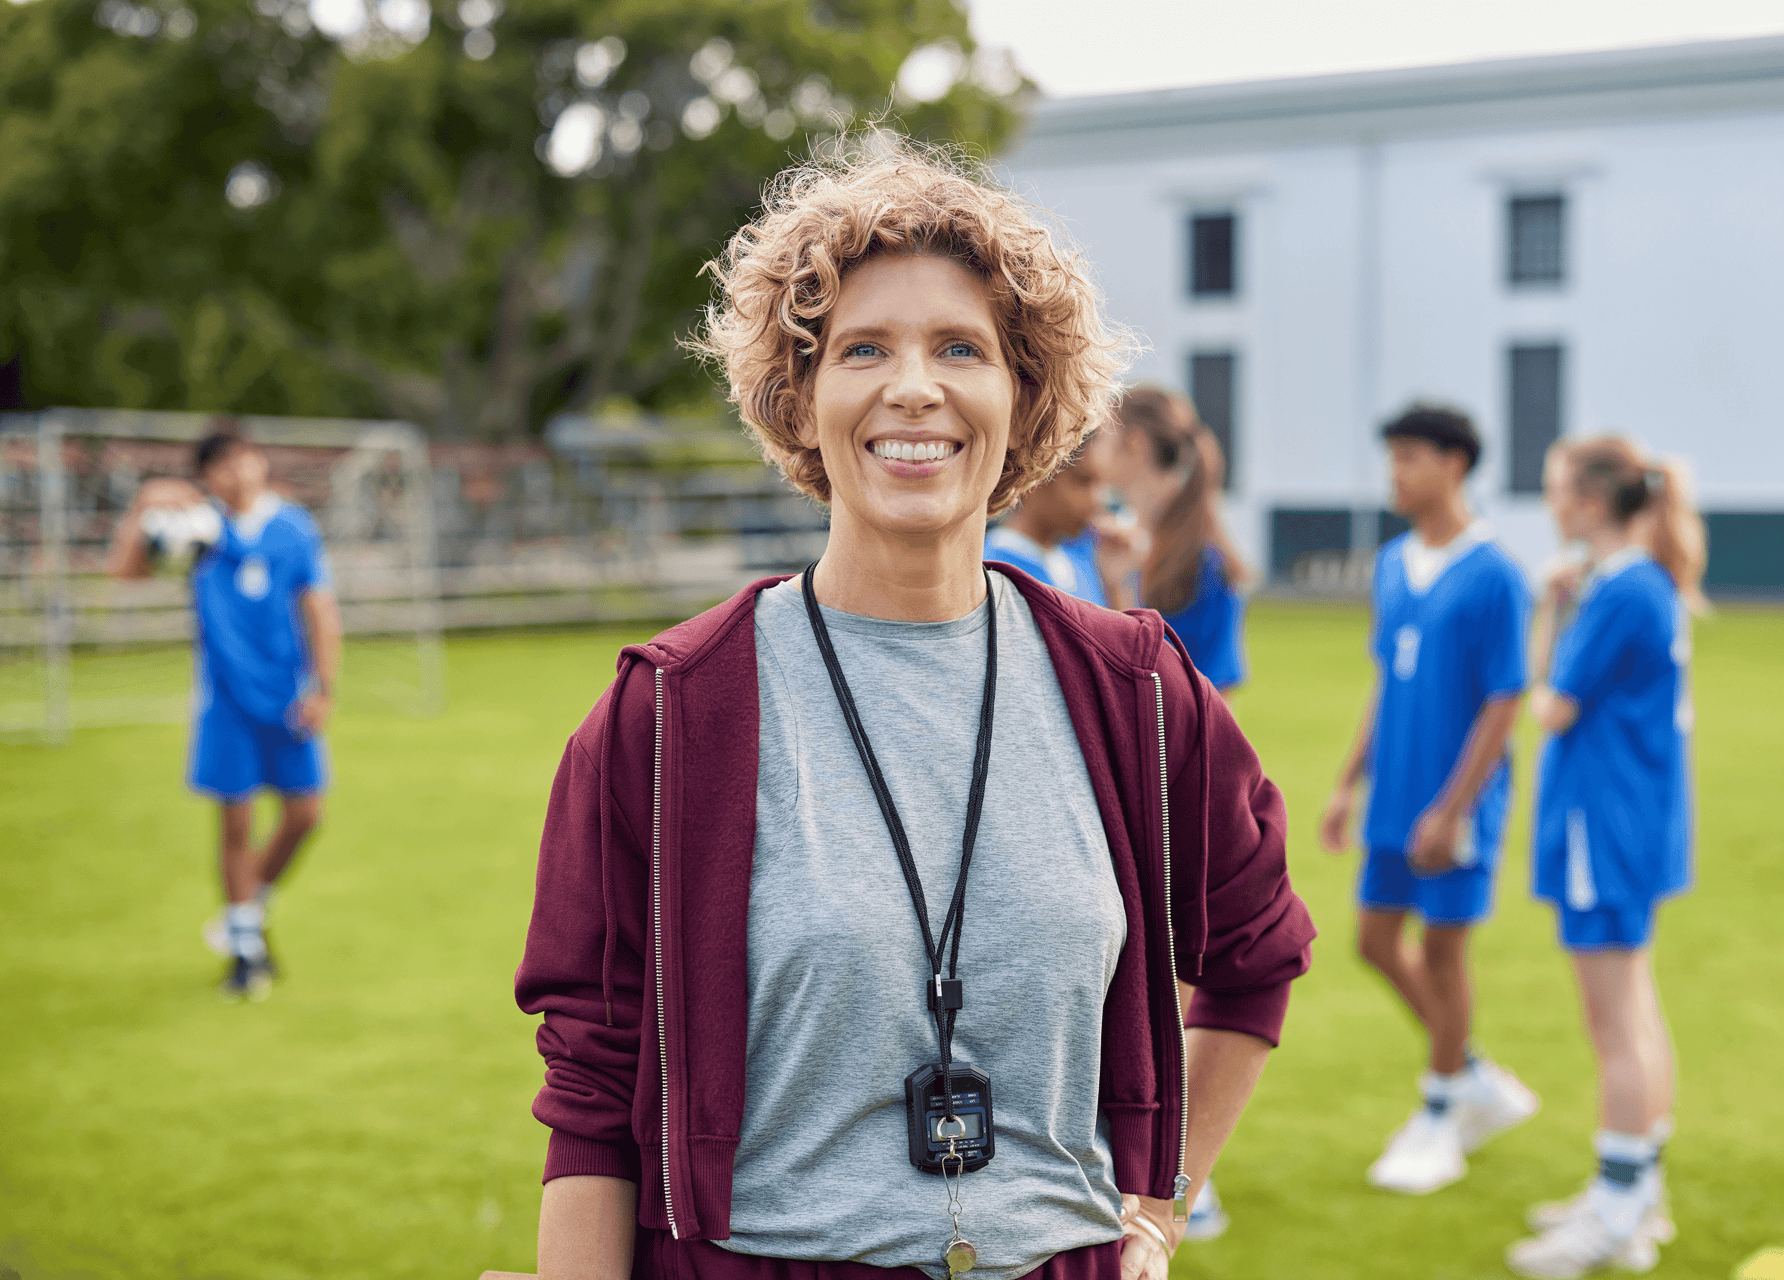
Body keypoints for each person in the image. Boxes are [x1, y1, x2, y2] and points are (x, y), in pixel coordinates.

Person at [515, 143, 1316, 1280]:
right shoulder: (670, 711)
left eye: (959, 347)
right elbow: (592, 1083)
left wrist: (1158, 1206)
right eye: (862, 349)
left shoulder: (1134, 690)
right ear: (797, 396)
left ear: (1022, 391)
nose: (914, 388)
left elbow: (1256, 948)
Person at [1319, 404, 1539, 1195]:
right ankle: (1471, 1072)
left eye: (1410, 457)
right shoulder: (1391, 565)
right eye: (1392, 458)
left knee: (1444, 954)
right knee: (1374, 940)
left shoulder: (1496, 574)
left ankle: (1441, 1114)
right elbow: (1387, 680)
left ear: (1454, 464)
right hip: (1394, 797)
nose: (1396, 475)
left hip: (1455, 805)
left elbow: (1506, 700)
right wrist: (1349, 782)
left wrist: (1454, 809)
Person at [1505, 437, 1704, 1279]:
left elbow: (1549, 703)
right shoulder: (1637, 584)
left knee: (1614, 1021)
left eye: (1556, 491)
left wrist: (1552, 610)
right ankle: (1634, 1192)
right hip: (1632, 824)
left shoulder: (1623, 590)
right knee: (1636, 1009)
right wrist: (1561, 601)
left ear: (1590, 501)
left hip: (1605, 826)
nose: (1551, 506)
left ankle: (1618, 1212)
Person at [107, 431, 340, 1001]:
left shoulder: (293, 528)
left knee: (305, 815)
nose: (239, 473)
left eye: (246, 460)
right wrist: (144, 505)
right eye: (224, 466)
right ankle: (245, 954)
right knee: (236, 823)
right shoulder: (197, 529)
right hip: (225, 702)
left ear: (261, 461)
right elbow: (125, 572)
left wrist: (324, 686)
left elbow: (321, 610)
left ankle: (244, 915)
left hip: (287, 699)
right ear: (208, 476)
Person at [1088, 386, 1248, 694]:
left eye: (1102, 436)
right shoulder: (1102, 541)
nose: (1092, 450)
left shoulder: (1208, 571)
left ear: (1133, 443)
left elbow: (1214, 705)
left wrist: (1117, 588)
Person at [982, 448, 1121, 605]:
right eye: (1082, 481)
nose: (1096, 500)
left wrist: (1115, 585)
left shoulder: (1083, 559)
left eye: (1100, 485)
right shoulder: (994, 569)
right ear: (1038, 475)